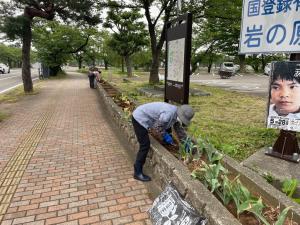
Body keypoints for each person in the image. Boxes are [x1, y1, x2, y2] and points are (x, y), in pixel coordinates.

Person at [131, 102, 195, 182]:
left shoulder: (175, 113)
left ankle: (137, 171)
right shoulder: (168, 114)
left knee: (166, 131)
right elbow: (157, 128)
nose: (183, 121)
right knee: (145, 145)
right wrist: (166, 137)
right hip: (139, 118)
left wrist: (187, 143)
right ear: (181, 115)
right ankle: (137, 172)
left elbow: (179, 131)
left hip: (145, 116)